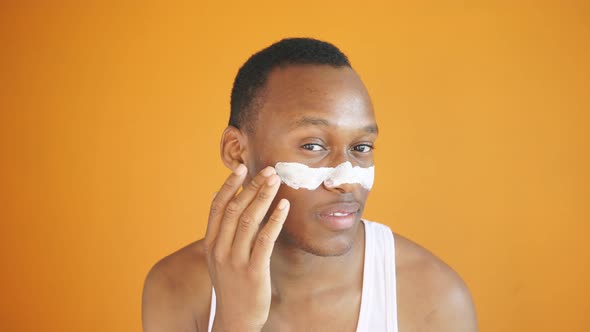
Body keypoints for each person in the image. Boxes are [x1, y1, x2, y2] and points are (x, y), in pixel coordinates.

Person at [141, 37, 478, 331]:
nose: (346, 181)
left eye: (361, 148)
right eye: (313, 146)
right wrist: (236, 322)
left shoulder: (434, 298)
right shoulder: (176, 287)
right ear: (237, 151)